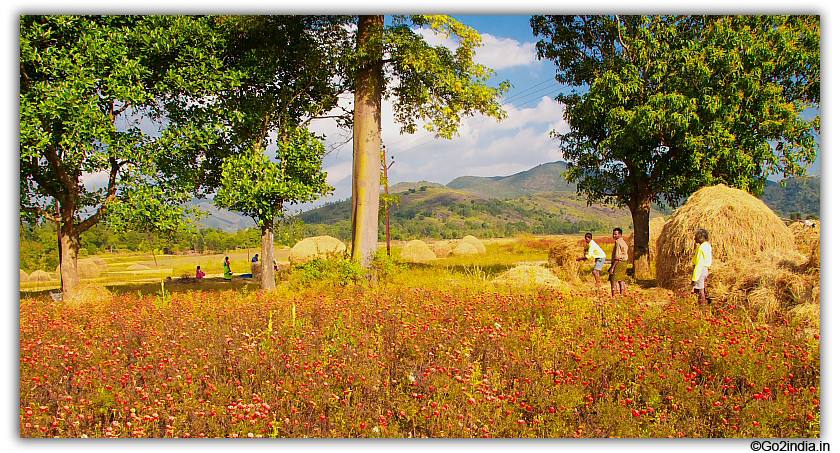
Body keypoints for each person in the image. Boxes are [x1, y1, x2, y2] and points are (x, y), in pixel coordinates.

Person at [691, 228, 713, 306]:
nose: (694, 238)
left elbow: (699, 264)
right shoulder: (707, 246)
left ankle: (702, 307)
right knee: (701, 288)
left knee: (700, 290)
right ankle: (699, 304)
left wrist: (695, 278)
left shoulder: (701, 248)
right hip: (705, 269)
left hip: (701, 270)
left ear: (701, 237)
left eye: (696, 237)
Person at [608, 227, 629, 297]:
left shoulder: (618, 242)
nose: (614, 236)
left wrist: (612, 267)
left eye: (615, 234)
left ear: (620, 234)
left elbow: (617, 257)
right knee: (621, 280)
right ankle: (622, 295)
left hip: (618, 263)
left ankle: (614, 296)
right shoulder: (624, 242)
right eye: (613, 234)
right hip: (624, 263)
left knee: (613, 280)